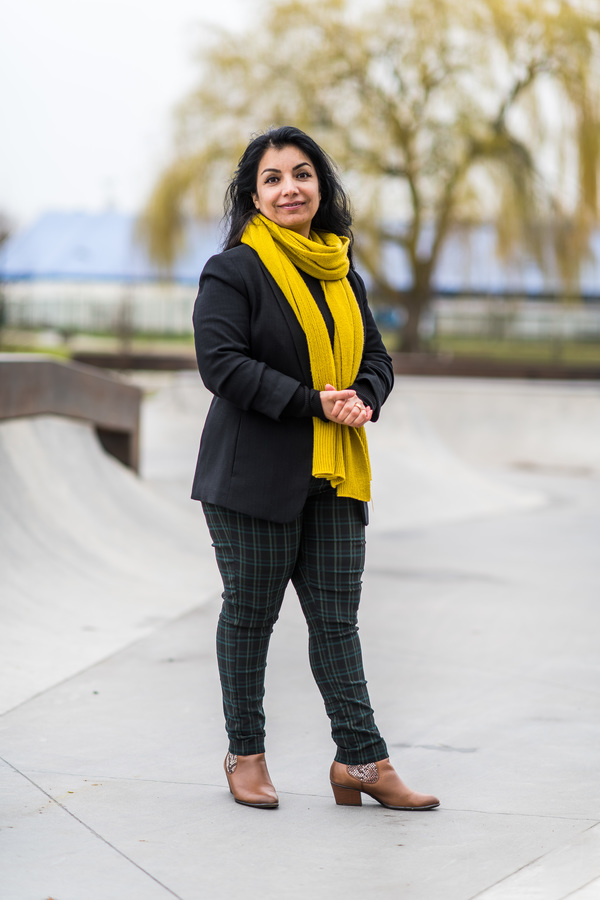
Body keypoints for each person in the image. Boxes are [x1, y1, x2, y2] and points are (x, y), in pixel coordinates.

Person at [191, 125, 439, 812]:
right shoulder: (233, 270)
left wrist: (363, 398)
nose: (289, 187)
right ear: (252, 195)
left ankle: (360, 761)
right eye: (272, 178)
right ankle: (245, 756)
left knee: (337, 623)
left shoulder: (342, 270)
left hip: (335, 476)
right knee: (250, 618)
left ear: (322, 187)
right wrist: (312, 403)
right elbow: (222, 365)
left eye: (302, 173)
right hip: (254, 478)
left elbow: (378, 362)